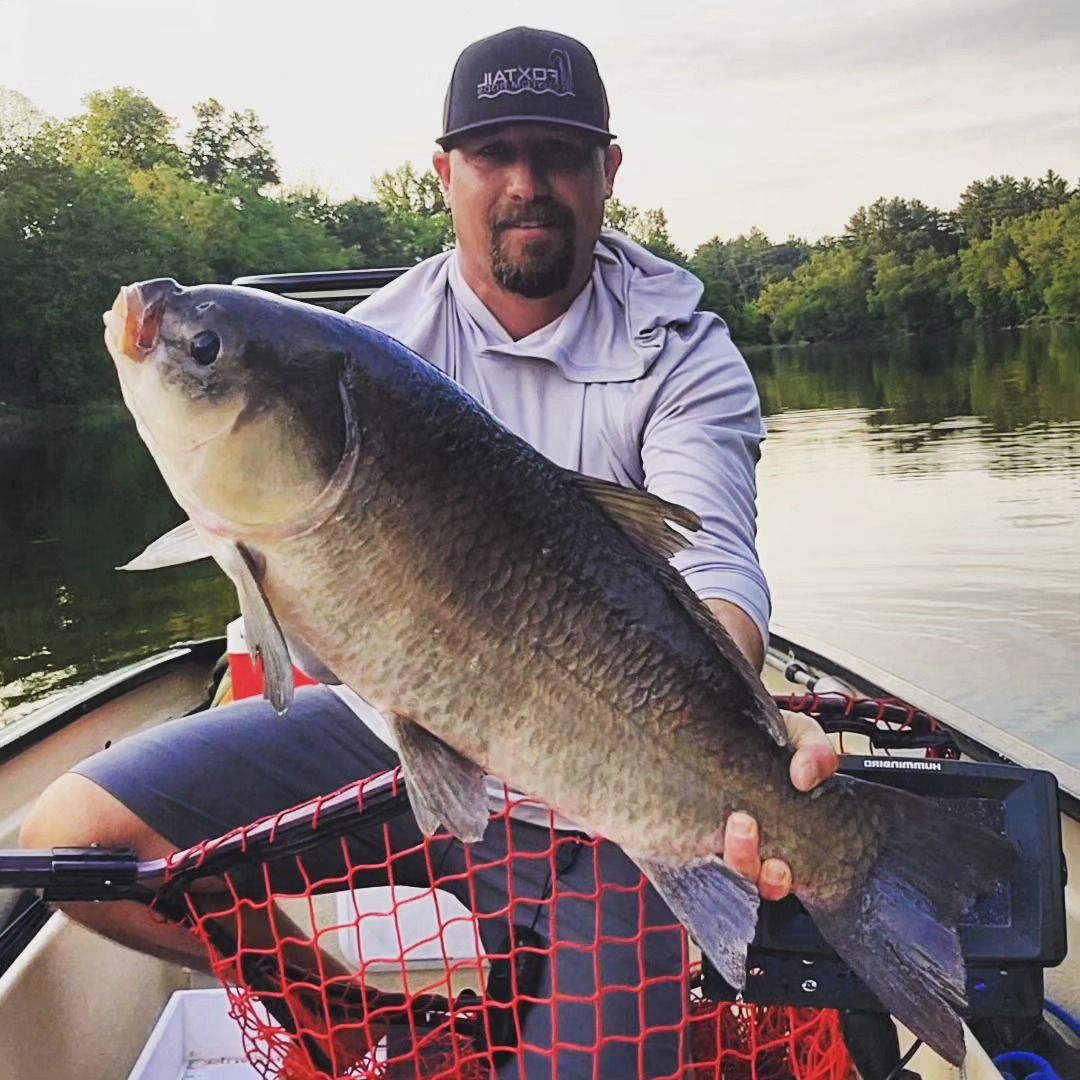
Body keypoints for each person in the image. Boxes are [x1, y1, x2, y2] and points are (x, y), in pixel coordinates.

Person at [20, 26, 838, 1079]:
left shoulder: (684, 349)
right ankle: (351, 1013)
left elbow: (712, 563)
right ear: (446, 174)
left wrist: (739, 724)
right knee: (77, 844)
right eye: (495, 153)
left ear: (607, 172)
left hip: (605, 772)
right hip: (390, 730)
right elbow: (292, 621)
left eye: (558, 153)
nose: (526, 183)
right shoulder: (372, 347)